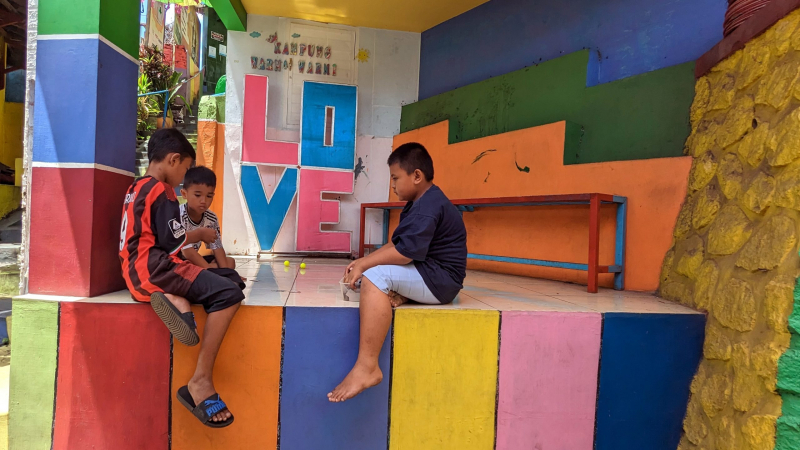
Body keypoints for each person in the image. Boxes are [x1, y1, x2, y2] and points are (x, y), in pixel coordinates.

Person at [119, 128, 243, 428]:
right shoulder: (162, 190)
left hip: (137, 275)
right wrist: (199, 235)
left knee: (228, 276)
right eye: (186, 170)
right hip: (157, 270)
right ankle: (201, 381)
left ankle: (178, 300)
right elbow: (174, 242)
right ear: (174, 160)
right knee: (229, 293)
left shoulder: (136, 187)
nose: (183, 179)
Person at [328, 142, 467, 403]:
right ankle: (402, 295)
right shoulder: (420, 202)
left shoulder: (428, 207)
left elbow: (404, 254)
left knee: (376, 277)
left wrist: (365, 266)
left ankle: (367, 367)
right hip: (430, 273)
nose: (392, 185)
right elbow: (396, 244)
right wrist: (363, 260)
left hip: (441, 281)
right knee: (374, 271)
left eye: (395, 178)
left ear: (417, 176)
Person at [179, 166, 237, 270]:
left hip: (194, 263)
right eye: (198, 195)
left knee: (230, 262)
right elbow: (187, 251)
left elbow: (217, 247)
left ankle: (204, 271)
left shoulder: (211, 218)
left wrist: (227, 272)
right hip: (177, 261)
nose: (203, 201)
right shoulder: (178, 215)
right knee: (186, 266)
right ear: (184, 194)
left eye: (209, 196)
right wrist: (210, 271)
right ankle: (207, 271)